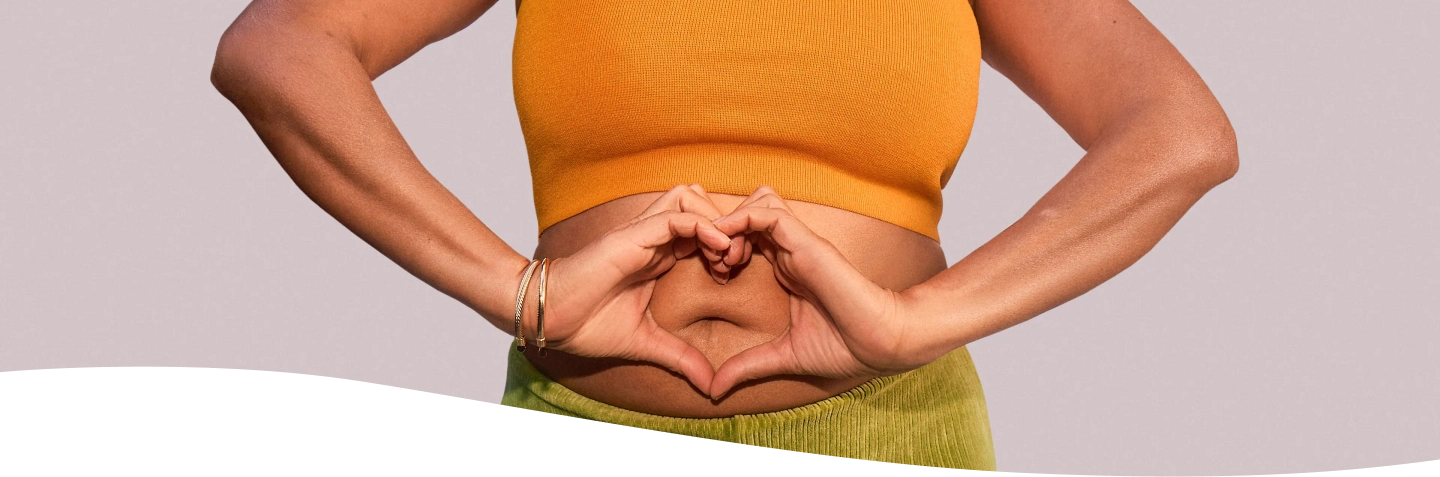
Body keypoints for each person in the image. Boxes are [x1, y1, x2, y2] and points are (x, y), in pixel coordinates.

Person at [210, 0, 1237, 470]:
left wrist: (920, 320)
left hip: (892, 434)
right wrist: (513, 290)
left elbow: (1177, 131)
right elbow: (281, 47)